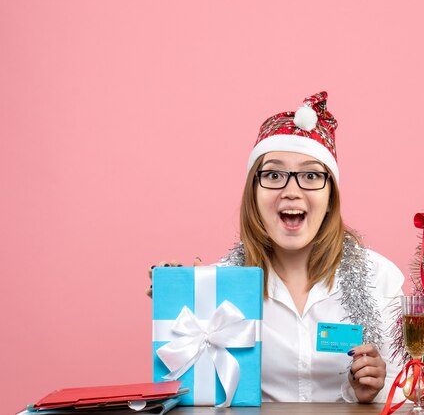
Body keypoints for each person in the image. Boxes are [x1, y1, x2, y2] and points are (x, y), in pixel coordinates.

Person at [149, 91, 405, 403]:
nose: (291, 191)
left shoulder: (380, 277)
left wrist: (367, 393)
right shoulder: (220, 285)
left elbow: (407, 390)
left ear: (330, 198)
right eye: (273, 175)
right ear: (253, 194)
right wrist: (181, 299)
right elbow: (186, 390)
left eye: (311, 175)